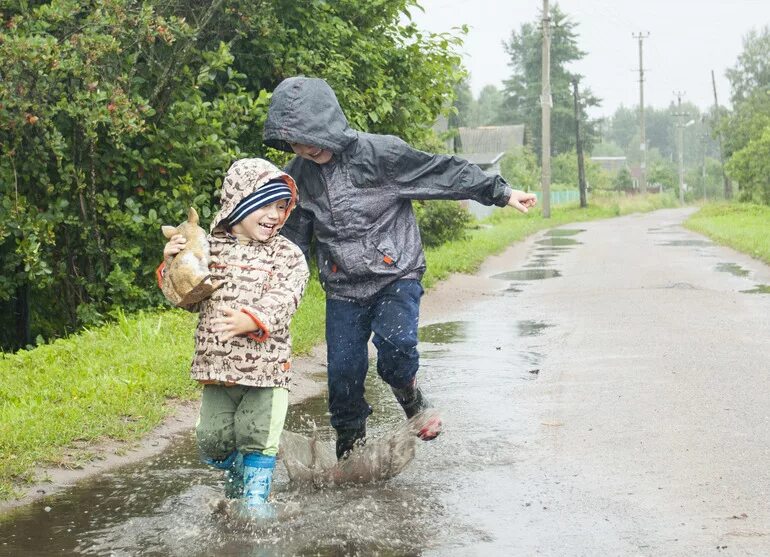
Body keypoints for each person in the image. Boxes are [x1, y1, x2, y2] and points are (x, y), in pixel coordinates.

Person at [262, 76, 537, 460]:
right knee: (342, 376)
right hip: (343, 286)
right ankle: (350, 452)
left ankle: (411, 398)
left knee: (396, 349)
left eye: (308, 137)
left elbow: (442, 172)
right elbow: (291, 243)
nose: (303, 148)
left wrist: (501, 192)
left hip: (396, 274)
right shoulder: (298, 176)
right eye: (292, 142)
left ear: (328, 125)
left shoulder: (380, 156)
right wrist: (263, 287)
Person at [158, 158, 309, 518]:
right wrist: (174, 264)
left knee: (257, 434)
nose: (274, 215)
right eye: (265, 204)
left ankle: (256, 503)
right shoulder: (209, 250)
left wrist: (252, 319)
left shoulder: (287, 255)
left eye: (281, 206)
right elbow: (187, 297)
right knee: (213, 441)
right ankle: (238, 481)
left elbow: (287, 297)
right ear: (239, 203)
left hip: (267, 371)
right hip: (217, 369)